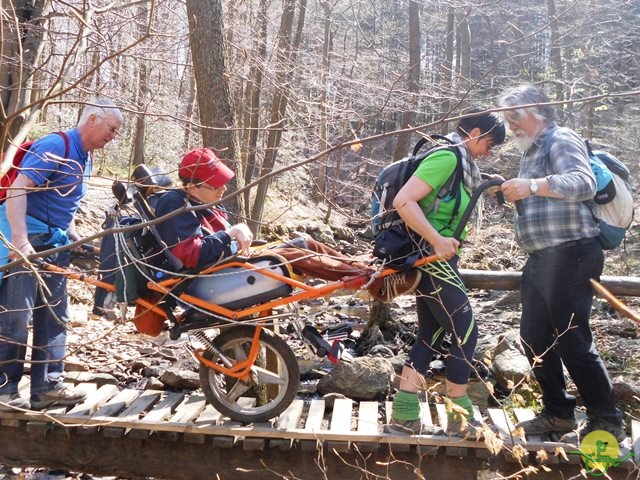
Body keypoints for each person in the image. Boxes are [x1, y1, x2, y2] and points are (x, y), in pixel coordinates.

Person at [499, 84, 625, 444]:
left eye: (515, 117)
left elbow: (583, 183)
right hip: (541, 258)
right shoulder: (530, 150)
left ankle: (606, 418)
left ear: (537, 110)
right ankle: (558, 413)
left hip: (573, 253)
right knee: (534, 337)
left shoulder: (561, 138)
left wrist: (533, 186)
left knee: (572, 340)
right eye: (507, 119)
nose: (511, 126)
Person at [385, 108, 506, 438]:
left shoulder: (463, 165)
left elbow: (451, 200)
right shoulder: (449, 157)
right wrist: (437, 240)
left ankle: (404, 415)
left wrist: (491, 186)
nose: (488, 153)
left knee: (431, 335)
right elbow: (404, 200)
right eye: (489, 145)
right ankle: (460, 419)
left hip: (433, 259)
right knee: (466, 333)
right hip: (430, 257)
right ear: (476, 133)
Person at [154, 148, 420, 293]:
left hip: (231, 258)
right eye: (215, 186)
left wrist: (236, 232)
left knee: (307, 242)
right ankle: (373, 279)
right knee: (292, 255)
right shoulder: (175, 204)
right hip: (212, 273)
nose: (223, 190)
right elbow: (190, 256)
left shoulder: (204, 199)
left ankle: (369, 273)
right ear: (192, 187)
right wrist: (231, 233)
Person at [0, 99, 123, 411]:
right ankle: (4, 389)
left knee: (55, 315)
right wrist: (20, 240)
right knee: (17, 316)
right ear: (93, 119)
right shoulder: (56, 145)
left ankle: (47, 388)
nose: (114, 136)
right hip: (25, 241)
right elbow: (18, 187)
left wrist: (73, 237)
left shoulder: (87, 159)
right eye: (112, 129)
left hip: (55, 243)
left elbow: (61, 205)